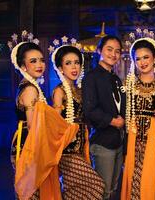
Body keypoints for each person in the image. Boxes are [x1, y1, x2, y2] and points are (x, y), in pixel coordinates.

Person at [9, 31, 78, 200]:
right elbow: (34, 127)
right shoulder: (31, 90)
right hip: (29, 145)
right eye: (33, 61)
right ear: (23, 66)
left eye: (41, 60)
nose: (39, 64)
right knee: (32, 192)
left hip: (30, 142)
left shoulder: (29, 86)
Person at [49, 39, 105, 199]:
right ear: (60, 68)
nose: (74, 67)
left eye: (77, 63)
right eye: (68, 63)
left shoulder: (80, 90)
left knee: (76, 190)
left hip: (81, 147)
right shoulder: (59, 91)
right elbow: (56, 123)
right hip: (67, 151)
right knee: (96, 185)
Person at [121, 32, 155, 200]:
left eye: (146, 57)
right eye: (138, 59)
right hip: (133, 135)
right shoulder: (129, 84)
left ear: (154, 58)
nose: (142, 62)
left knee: (150, 178)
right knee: (133, 177)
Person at [83, 35, 126, 200]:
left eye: (117, 51)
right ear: (99, 50)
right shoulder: (91, 77)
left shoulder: (115, 78)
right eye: (109, 49)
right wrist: (113, 121)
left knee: (113, 188)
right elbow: (90, 109)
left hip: (118, 141)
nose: (113, 54)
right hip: (102, 142)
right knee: (102, 189)